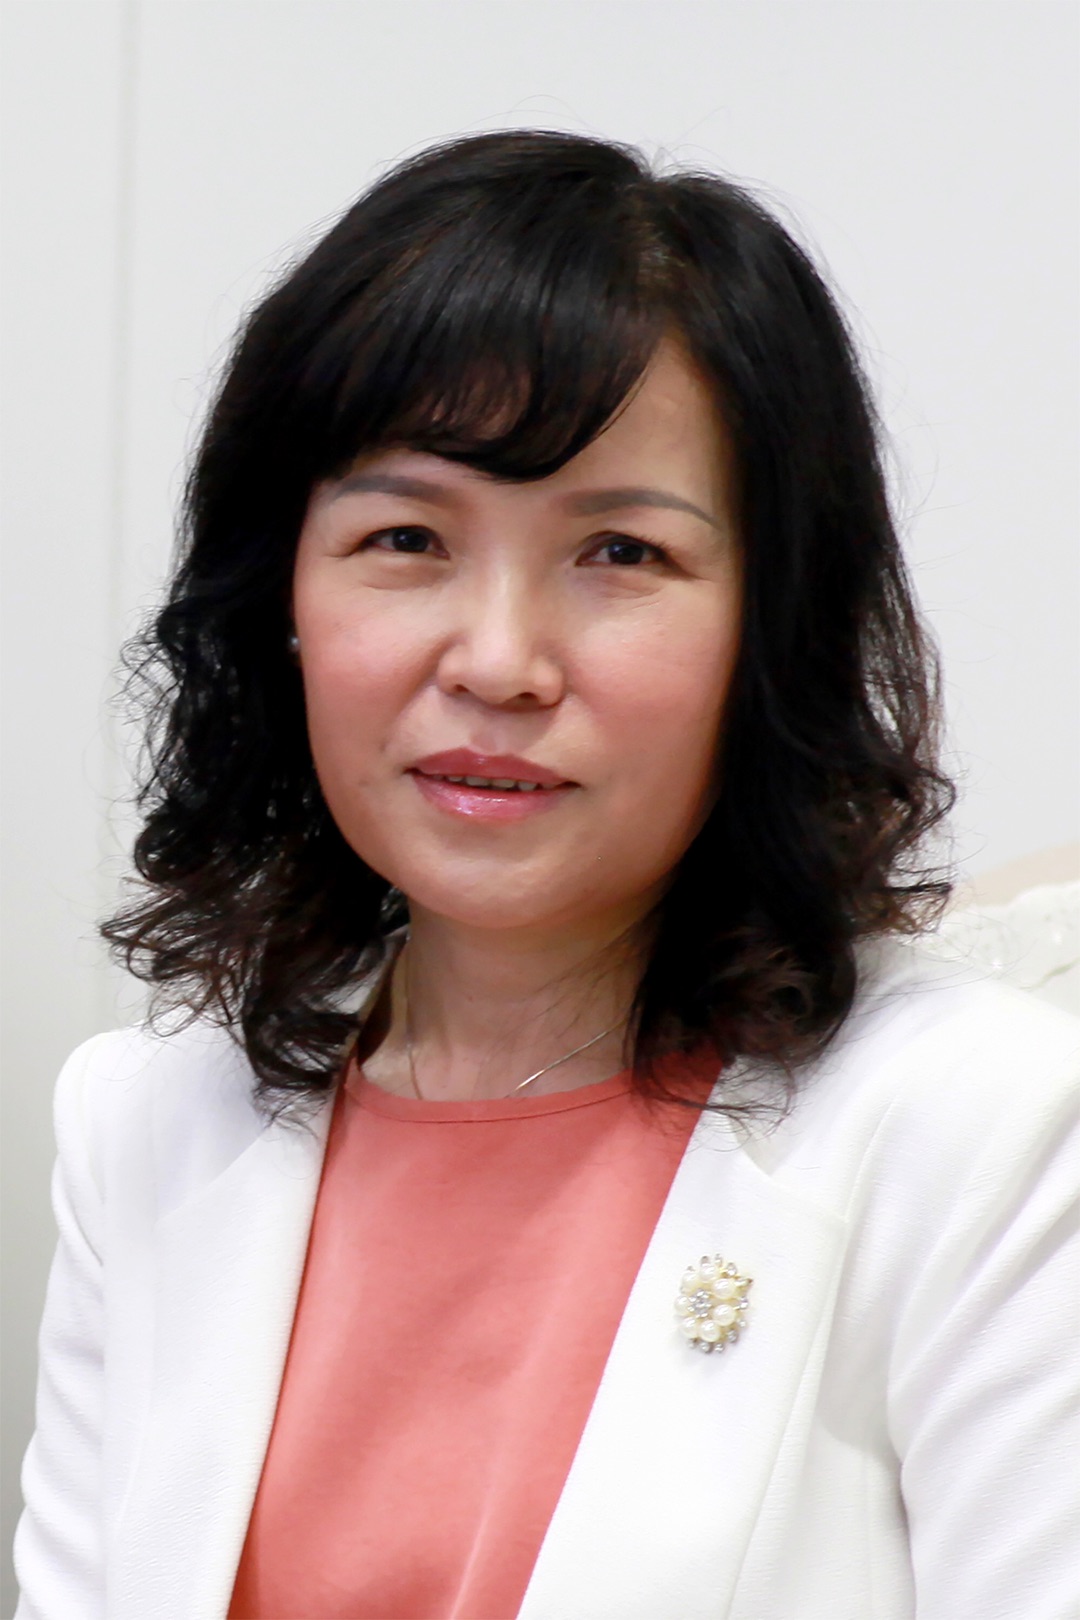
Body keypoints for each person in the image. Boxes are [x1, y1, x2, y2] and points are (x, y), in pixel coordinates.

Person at [13, 131, 1078, 1620]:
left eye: (621, 554)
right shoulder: (144, 1122)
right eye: (405, 537)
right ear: (281, 602)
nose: (501, 661)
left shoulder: (989, 1131)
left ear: (771, 627)